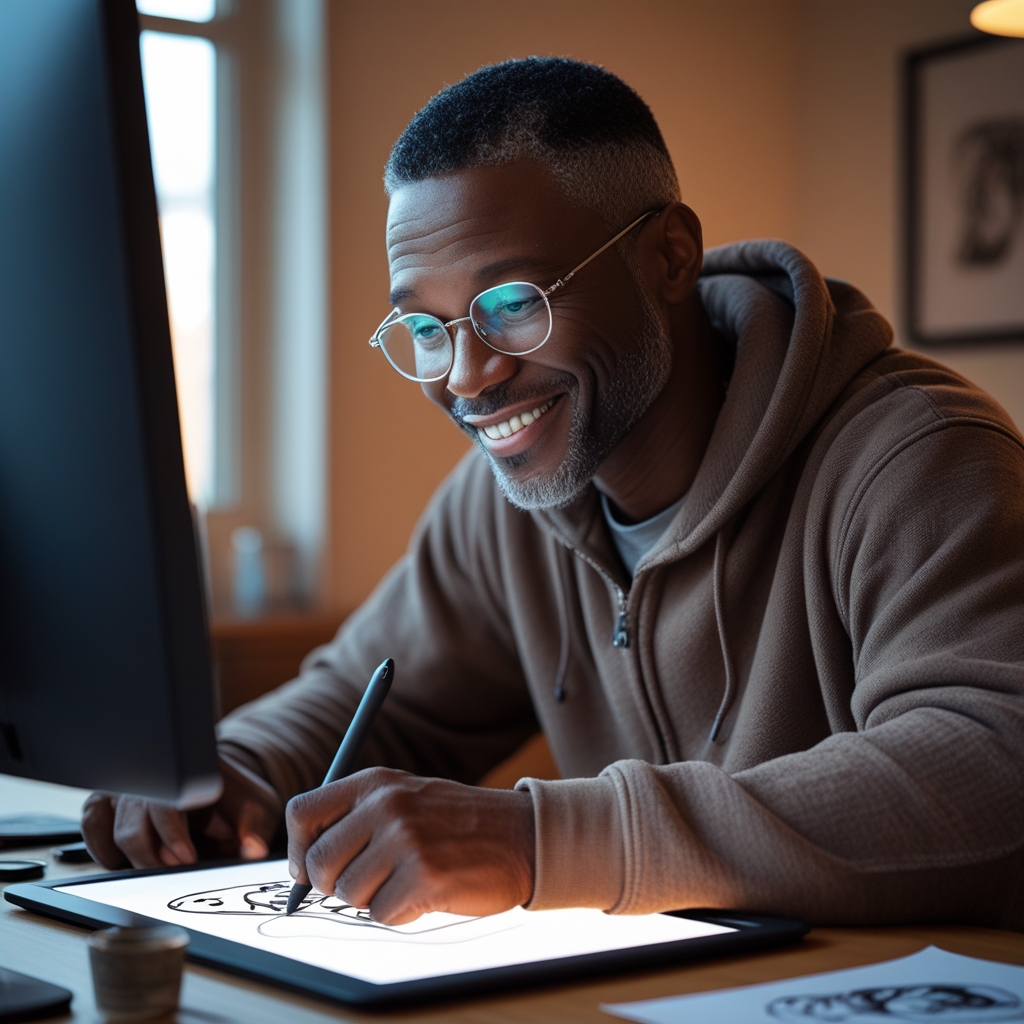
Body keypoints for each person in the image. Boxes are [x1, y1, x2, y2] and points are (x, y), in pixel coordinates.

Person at [84, 57, 1024, 930]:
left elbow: (992, 767)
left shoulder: (921, 458)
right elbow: (366, 694)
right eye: (426, 325)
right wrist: (234, 773)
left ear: (668, 258)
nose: (467, 376)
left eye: (513, 304)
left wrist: (541, 843)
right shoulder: (506, 500)